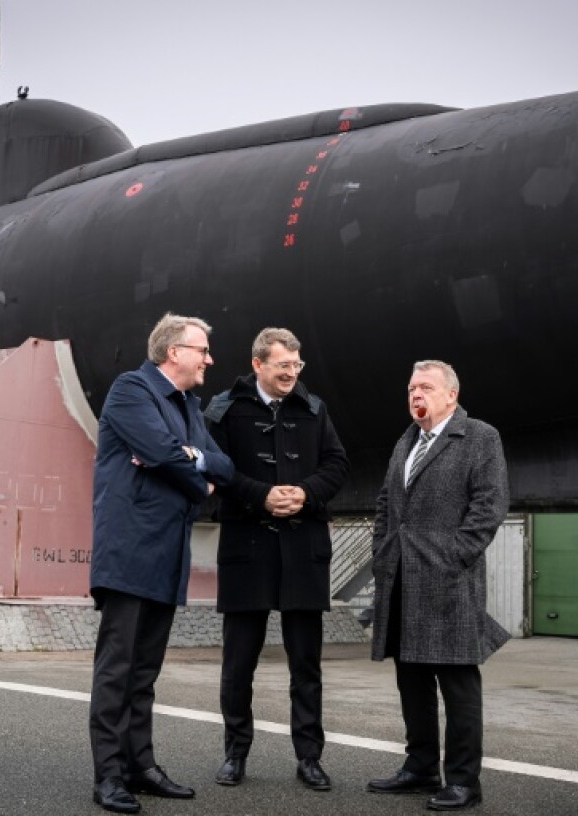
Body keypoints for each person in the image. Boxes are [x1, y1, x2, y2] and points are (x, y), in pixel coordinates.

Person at [88, 313, 235, 814]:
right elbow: (164, 454)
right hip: (129, 551)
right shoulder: (130, 391)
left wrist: (187, 458)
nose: (209, 359)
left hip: (169, 554)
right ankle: (108, 775)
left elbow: (225, 465)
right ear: (174, 352)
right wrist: (195, 470)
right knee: (117, 670)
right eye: (202, 350)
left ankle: (140, 765)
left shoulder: (189, 406)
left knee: (145, 672)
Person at [204, 327, 349, 791]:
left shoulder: (314, 408)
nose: (292, 372)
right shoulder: (224, 409)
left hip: (303, 550)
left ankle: (309, 758)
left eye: (296, 364)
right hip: (248, 549)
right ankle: (235, 754)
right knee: (238, 663)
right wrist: (261, 496)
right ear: (259, 364)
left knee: (306, 665)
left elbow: (336, 464)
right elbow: (215, 468)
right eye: (283, 365)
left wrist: (304, 493)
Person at [366, 360, 510, 812]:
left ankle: (465, 781)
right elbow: (388, 504)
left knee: (458, 685)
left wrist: (454, 558)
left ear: (451, 394)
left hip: (449, 583)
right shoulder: (406, 441)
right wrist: (382, 553)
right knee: (411, 680)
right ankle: (420, 767)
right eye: (411, 387)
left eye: (425, 387)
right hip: (403, 579)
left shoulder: (480, 437)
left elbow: (490, 506)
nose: (415, 394)